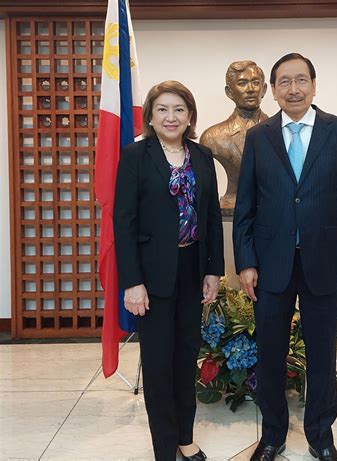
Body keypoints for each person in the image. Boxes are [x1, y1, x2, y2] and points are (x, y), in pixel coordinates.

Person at [233, 53, 337, 461]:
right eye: (284, 82)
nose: (293, 89)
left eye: (301, 80)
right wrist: (245, 261)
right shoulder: (259, 138)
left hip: (326, 263)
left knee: (323, 355)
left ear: (313, 85)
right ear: (273, 90)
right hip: (270, 264)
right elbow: (246, 206)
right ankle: (272, 436)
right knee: (270, 355)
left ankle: (321, 437)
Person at [113, 81, 224, 461]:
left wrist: (213, 270)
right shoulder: (135, 156)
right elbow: (123, 222)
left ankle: (185, 436)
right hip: (151, 274)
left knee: (186, 355)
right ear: (150, 116)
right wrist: (132, 282)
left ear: (190, 116)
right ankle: (164, 446)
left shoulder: (202, 156)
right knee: (159, 362)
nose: (171, 117)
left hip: (193, 268)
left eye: (179, 109)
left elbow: (210, 216)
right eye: (162, 109)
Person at [200, 60, 268, 215]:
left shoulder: (279, 132)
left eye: (255, 82)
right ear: (229, 92)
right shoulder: (212, 137)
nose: (250, 89)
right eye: (242, 83)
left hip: (269, 206)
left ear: (263, 89)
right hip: (232, 202)